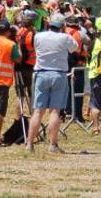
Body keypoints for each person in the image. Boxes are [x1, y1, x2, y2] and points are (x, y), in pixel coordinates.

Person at [26, 13, 78, 153]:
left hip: (41, 73)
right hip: (58, 74)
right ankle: (52, 145)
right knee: (55, 111)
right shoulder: (65, 37)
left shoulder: (38, 36)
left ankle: (30, 144)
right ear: (62, 26)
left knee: (38, 111)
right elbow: (75, 48)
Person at [64, 15, 88, 122]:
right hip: (77, 64)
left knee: (66, 89)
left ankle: (67, 112)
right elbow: (88, 41)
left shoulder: (62, 33)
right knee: (78, 90)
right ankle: (78, 114)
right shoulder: (80, 34)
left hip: (63, 64)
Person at [15, 11, 38, 99]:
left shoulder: (19, 32)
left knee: (20, 93)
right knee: (31, 89)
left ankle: (20, 112)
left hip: (19, 63)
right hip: (30, 64)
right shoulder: (33, 34)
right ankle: (32, 111)